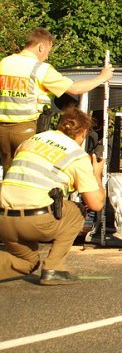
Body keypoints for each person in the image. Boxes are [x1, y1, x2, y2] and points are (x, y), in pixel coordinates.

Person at [0, 106, 106, 285]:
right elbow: (96, 204)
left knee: (27, 262)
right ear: (82, 132)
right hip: (35, 221)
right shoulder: (76, 155)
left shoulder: (31, 141)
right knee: (77, 211)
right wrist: (96, 173)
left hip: (4, 219)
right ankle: (54, 268)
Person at [0, 27, 113, 174]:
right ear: (41, 47)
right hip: (25, 129)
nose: (46, 57)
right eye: (48, 51)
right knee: (27, 172)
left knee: (8, 172)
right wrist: (101, 78)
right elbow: (75, 89)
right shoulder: (40, 69)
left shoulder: (5, 62)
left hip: (2, 131)